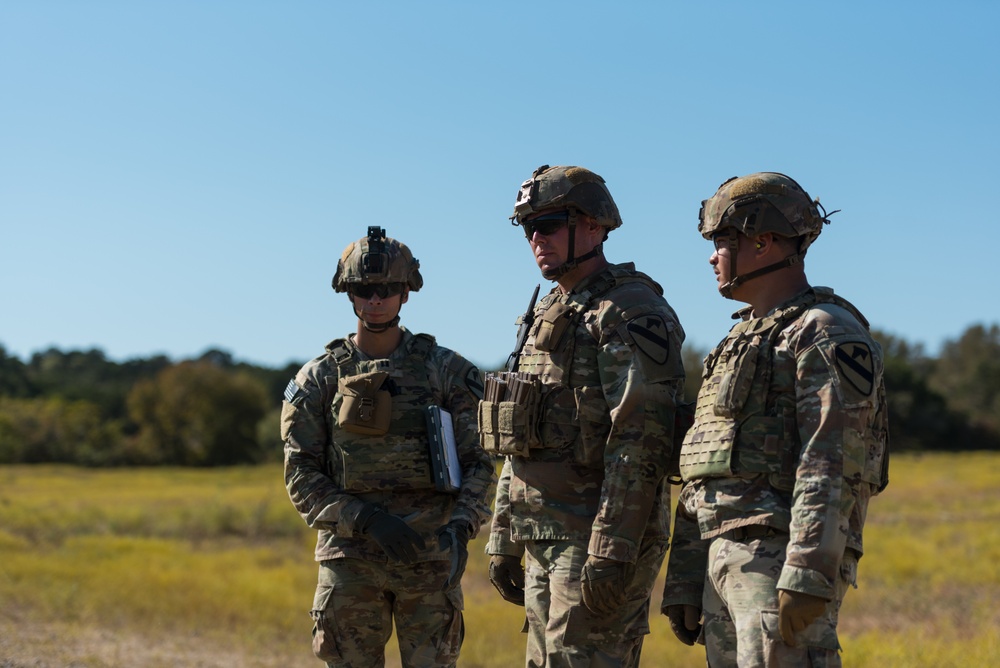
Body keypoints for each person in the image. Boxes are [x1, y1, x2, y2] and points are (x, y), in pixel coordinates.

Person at [661, 172, 890, 667]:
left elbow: (833, 462)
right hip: (724, 560)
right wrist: (685, 573)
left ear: (763, 242)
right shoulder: (738, 342)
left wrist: (808, 572)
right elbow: (704, 463)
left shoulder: (824, 332)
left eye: (722, 240)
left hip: (779, 556)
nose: (711, 255)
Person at [481, 164, 686, 667]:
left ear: (594, 225)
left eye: (548, 223)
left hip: (595, 537)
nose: (535, 237)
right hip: (542, 535)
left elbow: (641, 442)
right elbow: (519, 434)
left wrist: (612, 548)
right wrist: (504, 535)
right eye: (527, 227)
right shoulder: (549, 310)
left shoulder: (630, 309)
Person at [281, 226, 496, 668]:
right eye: (363, 289)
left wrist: (460, 527)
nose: (375, 300)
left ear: (405, 293)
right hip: (350, 560)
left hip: (430, 555)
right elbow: (301, 473)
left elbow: (480, 462)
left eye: (386, 289)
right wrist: (365, 519)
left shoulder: (447, 371)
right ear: (349, 294)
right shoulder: (318, 378)